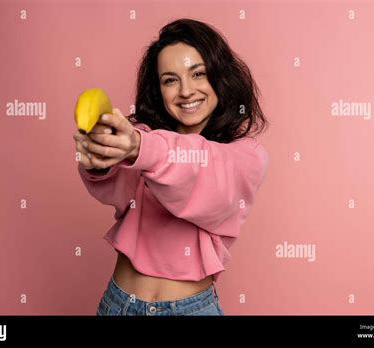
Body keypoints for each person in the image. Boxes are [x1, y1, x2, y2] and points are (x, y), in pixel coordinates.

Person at [73, 18, 270, 316]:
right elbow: (117, 187)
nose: (186, 91)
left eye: (198, 73)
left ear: (220, 76)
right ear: (159, 90)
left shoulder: (246, 156)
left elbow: (197, 167)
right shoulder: (142, 136)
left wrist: (139, 147)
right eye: (170, 79)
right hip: (119, 304)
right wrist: (101, 160)